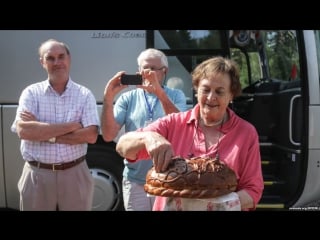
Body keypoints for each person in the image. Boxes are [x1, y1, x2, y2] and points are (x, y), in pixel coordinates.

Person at [116, 56, 264, 211]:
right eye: (205, 89)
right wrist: (149, 137)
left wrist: (222, 206)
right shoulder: (174, 123)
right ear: (196, 90)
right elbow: (122, 146)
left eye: (219, 92)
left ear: (231, 95)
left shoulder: (245, 133)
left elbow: (253, 190)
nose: (211, 97)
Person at [11, 39, 100, 211]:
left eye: (61, 56)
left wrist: (42, 132)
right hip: (37, 174)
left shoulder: (84, 94)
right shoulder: (31, 93)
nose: (57, 62)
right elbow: (24, 131)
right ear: (42, 62)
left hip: (75, 173)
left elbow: (90, 136)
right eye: (50, 58)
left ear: (69, 58)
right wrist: (73, 125)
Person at [101, 48, 187, 211]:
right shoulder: (128, 97)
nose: (149, 73)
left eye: (154, 69)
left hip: (168, 179)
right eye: (145, 68)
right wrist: (108, 97)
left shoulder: (176, 96)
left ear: (164, 72)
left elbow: (182, 128)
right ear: (139, 71)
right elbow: (108, 135)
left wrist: (159, 93)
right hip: (135, 180)